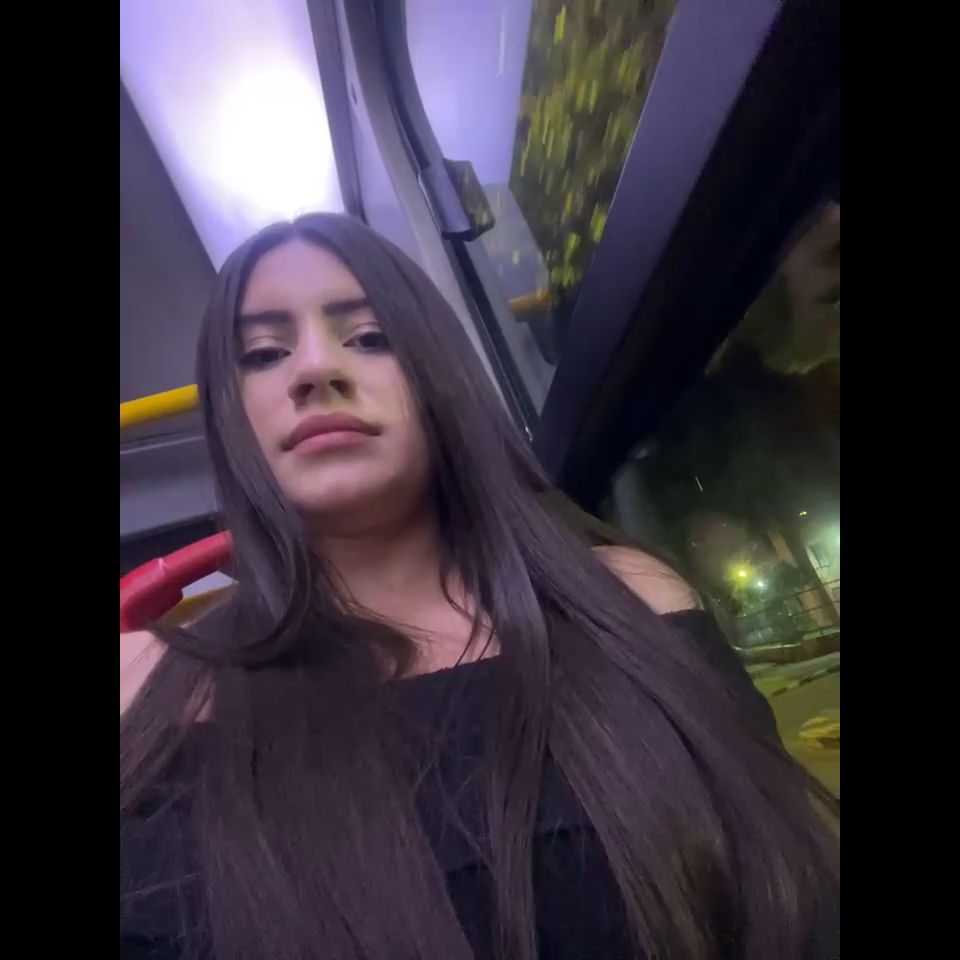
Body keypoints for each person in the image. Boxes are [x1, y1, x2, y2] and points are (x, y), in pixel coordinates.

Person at [120, 213, 839, 960]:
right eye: (265, 354)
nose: (315, 370)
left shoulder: (629, 602)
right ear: (229, 415)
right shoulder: (141, 690)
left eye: (369, 337)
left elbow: (792, 894)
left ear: (441, 376)